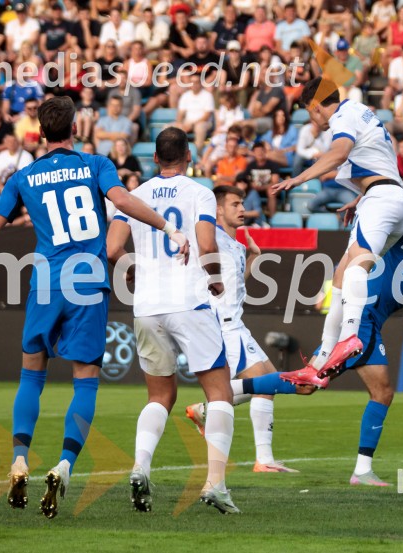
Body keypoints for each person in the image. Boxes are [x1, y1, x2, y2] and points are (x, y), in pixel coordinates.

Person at [0, 96, 187, 519]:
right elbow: (123, 201)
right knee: (85, 382)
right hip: (87, 283)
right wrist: (168, 226)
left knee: (31, 373)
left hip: (46, 282)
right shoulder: (97, 165)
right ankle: (64, 465)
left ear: (40, 133)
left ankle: (20, 458)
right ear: (75, 129)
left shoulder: (23, 176)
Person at [227, 195, 403, 485]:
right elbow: (402, 222)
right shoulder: (396, 234)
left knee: (308, 384)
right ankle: (361, 471)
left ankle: (224, 395)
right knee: (380, 392)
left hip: (370, 322)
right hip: (361, 318)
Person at [105, 127, 236, 514]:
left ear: (155, 158)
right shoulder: (200, 193)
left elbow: (113, 248)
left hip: (147, 306)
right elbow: (207, 244)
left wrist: (131, 270)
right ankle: (215, 483)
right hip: (189, 302)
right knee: (219, 393)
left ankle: (140, 466)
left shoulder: (136, 195)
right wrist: (214, 280)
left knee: (159, 396)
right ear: (189, 156)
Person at [273, 77, 403, 382]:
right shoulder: (362, 112)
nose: (313, 119)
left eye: (311, 112)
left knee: (355, 269)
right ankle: (321, 359)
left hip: (382, 199)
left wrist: (299, 178)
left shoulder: (343, 116)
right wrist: (360, 197)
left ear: (316, 105)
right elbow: (379, 161)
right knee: (341, 273)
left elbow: (338, 152)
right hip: (388, 198)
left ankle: (349, 336)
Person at [185, 186, 296, 473]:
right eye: (235, 204)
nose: (242, 209)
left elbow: (233, 283)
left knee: (269, 382)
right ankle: (263, 459)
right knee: (267, 383)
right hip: (223, 326)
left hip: (237, 324)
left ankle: (207, 412)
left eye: (243, 203)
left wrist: (252, 260)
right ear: (218, 209)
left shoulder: (236, 244)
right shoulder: (212, 240)